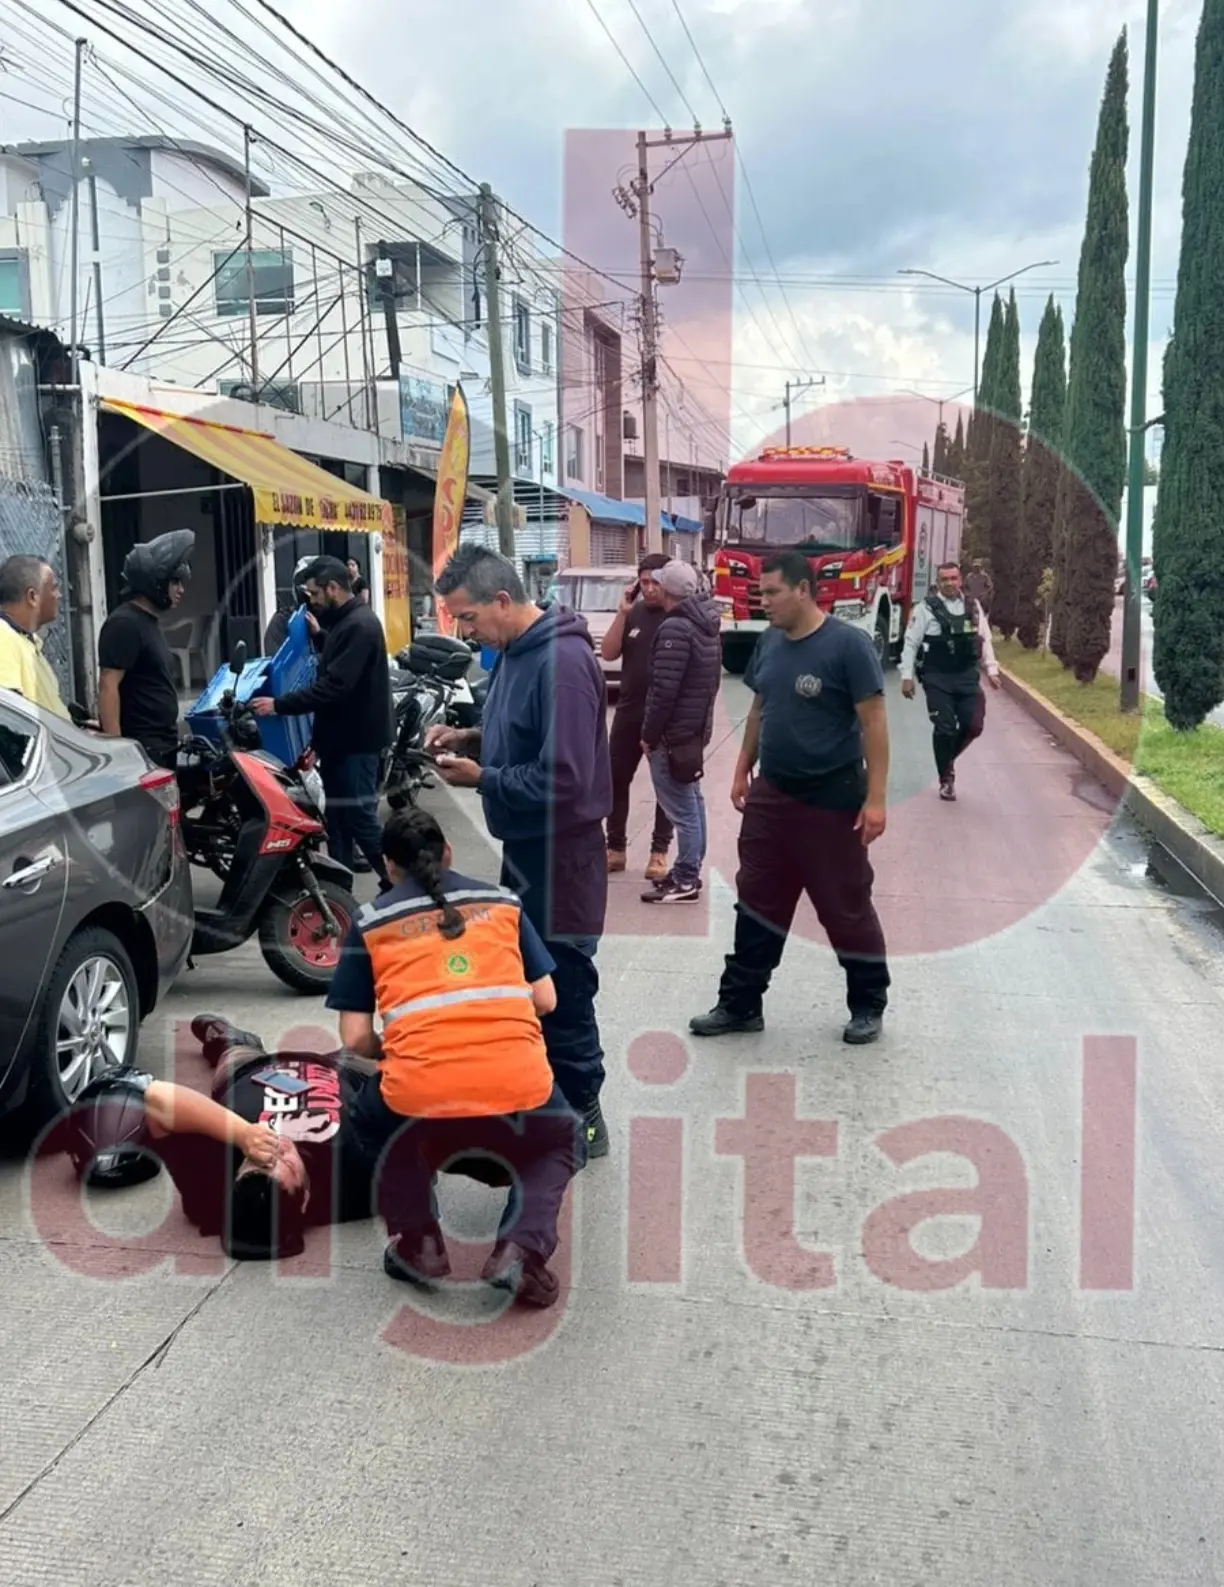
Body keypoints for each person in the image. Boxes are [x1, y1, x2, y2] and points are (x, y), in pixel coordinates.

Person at [326, 806, 584, 1307]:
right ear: (448, 852)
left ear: (389, 866)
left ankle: (418, 1242)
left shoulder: (369, 922)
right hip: (518, 1085)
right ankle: (520, 1248)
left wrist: (403, 1051)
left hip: (419, 1094)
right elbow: (547, 999)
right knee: (564, 1137)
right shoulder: (504, 903)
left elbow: (354, 1039)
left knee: (373, 1119)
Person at [427, 544, 613, 1158]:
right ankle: (546, 1104)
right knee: (528, 983)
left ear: (503, 600)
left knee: (564, 988)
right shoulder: (514, 653)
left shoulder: (562, 663)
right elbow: (520, 733)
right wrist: (472, 737)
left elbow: (566, 777)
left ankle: (584, 1115)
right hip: (527, 850)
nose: (467, 632)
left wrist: (485, 779)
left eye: (469, 618)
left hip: (564, 857)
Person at [690, 550, 891, 1047]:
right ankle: (740, 1004)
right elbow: (760, 708)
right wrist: (742, 767)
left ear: (803, 590)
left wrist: (876, 799)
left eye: (773, 592)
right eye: (762, 593)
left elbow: (874, 723)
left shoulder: (848, 646)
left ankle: (868, 1003)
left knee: (845, 906)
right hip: (772, 796)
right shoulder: (770, 643)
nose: (765, 601)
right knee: (757, 902)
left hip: (832, 798)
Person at [253, 555, 392, 888]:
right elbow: (339, 656)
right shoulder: (344, 623)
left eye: (315, 593)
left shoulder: (361, 624)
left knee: (360, 818)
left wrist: (279, 705)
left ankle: (402, 885)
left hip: (358, 742)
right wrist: (320, 637)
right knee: (338, 822)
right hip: (339, 741)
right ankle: (338, 892)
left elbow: (335, 686)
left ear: (333, 588)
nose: (311, 601)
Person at [639, 559, 722, 904]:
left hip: (671, 736)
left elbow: (663, 690)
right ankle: (689, 869)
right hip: (691, 732)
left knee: (682, 810)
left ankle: (686, 877)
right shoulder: (707, 623)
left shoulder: (675, 628)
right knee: (692, 801)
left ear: (667, 589)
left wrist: (649, 734)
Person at [600, 552, 674, 881]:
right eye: (644, 582)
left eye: (656, 581)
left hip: (665, 717)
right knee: (616, 779)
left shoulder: (677, 615)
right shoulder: (634, 613)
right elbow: (608, 653)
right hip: (629, 713)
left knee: (666, 786)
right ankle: (615, 849)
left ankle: (659, 852)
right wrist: (622, 613)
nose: (650, 588)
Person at [900, 560, 1001, 802]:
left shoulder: (972, 606)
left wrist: (992, 669)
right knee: (944, 727)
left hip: (966, 676)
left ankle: (946, 757)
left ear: (960, 580)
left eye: (953, 578)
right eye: (944, 579)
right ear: (938, 582)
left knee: (973, 725)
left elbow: (984, 638)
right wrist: (906, 676)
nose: (949, 583)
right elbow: (911, 642)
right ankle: (946, 779)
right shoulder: (925, 608)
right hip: (937, 676)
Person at [97, 529, 194, 769]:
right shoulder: (125, 624)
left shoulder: (147, 622)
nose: (181, 590)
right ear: (156, 581)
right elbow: (108, 686)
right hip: (142, 749)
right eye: (175, 582)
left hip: (161, 746)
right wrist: (119, 752)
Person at [0, 555, 70, 719]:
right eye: (53, 588)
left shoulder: (27, 640)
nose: (59, 595)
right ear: (32, 597)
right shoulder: (3, 638)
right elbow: (9, 717)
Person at [263, 555, 323, 656]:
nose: (314, 600)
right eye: (312, 593)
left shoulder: (336, 619)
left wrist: (320, 635)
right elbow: (277, 659)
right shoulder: (283, 621)